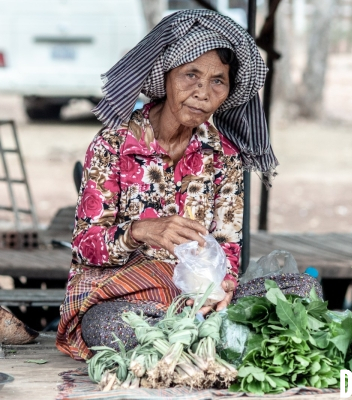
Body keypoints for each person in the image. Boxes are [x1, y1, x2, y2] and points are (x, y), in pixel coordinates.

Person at [56, 10, 278, 361]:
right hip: (124, 296)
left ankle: (186, 337)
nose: (203, 93)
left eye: (218, 81)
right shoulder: (113, 144)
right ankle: (198, 341)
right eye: (191, 75)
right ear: (167, 76)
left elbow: (227, 249)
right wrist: (139, 231)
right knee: (110, 327)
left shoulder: (225, 157)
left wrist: (221, 289)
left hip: (195, 297)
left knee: (297, 293)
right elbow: (86, 247)